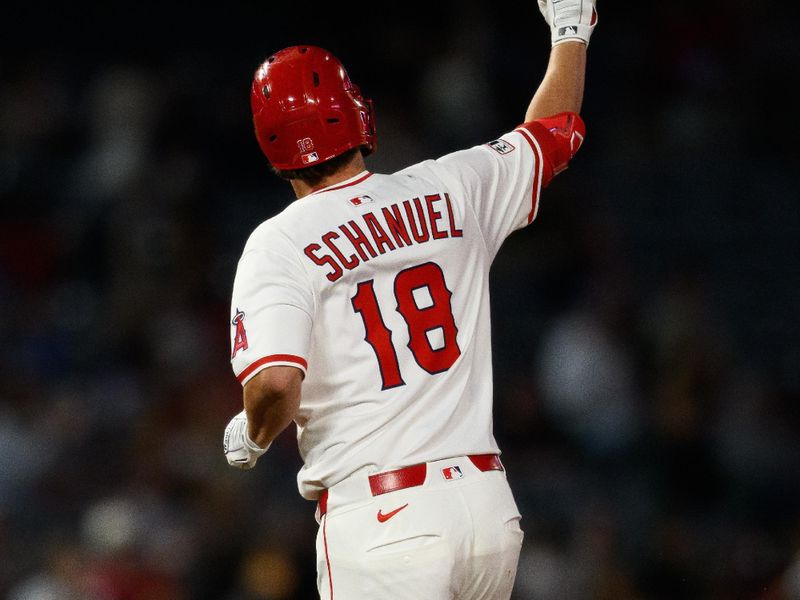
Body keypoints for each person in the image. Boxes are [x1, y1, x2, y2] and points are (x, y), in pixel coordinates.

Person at [223, 1, 597, 597]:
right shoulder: (451, 184)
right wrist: (570, 33)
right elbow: (554, 133)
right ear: (355, 116)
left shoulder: (279, 243)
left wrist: (253, 435)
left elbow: (273, 384)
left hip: (383, 524)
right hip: (486, 508)